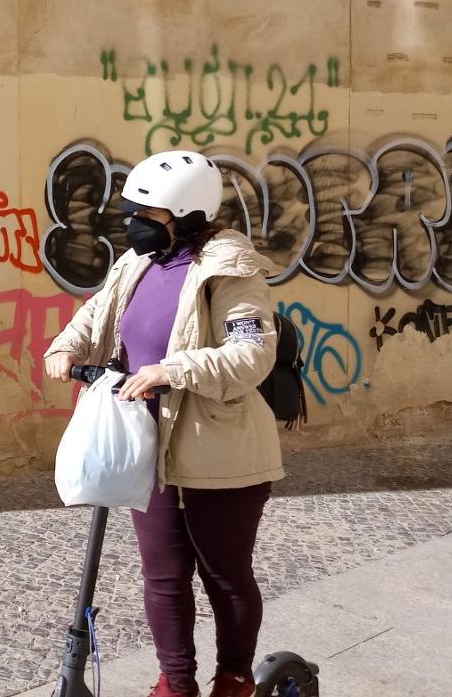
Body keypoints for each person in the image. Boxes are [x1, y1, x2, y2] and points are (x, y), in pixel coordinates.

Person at [44, 150, 283, 697]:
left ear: (189, 215)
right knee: (164, 577)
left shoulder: (229, 271)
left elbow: (251, 355)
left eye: (147, 217)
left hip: (218, 448)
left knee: (225, 576)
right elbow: (96, 312)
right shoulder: (138, 262)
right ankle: (176, 685)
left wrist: (171, 369)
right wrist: (66, 347)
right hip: (150, 446)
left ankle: (235, 680)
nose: (133, 226)